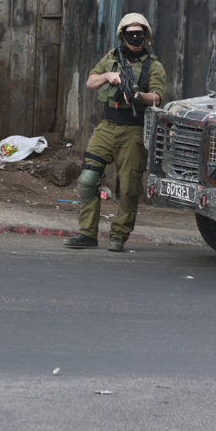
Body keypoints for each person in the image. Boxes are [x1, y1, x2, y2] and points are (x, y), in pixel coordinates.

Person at [63, 13, 166, 252]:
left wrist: (138, 95)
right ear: (123, 35)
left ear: (146, 36)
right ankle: (87, 234)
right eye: (130, 33)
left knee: (130, 188)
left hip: (133, 131)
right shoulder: (111, 58)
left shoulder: (154, 66)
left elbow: (158, 97)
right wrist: (108, 76)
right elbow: (90, 82)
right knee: (88, 179)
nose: (135, 37)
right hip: (106, 127)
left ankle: (119, 235)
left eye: (139, 33)